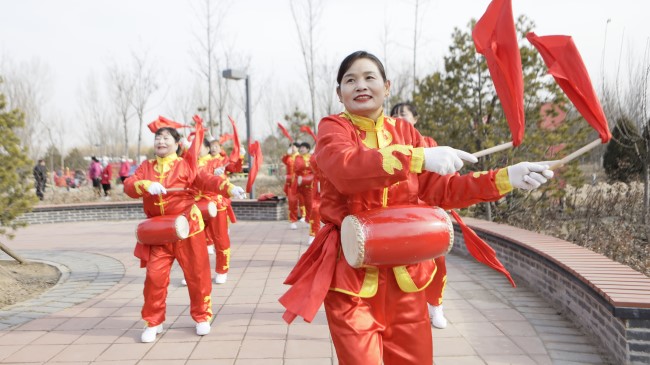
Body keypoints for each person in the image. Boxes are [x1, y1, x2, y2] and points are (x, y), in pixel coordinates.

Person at [279, 50, 554, 365]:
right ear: (339, 93)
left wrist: (506, 178)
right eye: (350, 80)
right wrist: (418, 157)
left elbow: (444, 191)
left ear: (387, 86)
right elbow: (345, 168)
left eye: (369, 77)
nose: (360, 85)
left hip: (405, 277)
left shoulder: (407, 133)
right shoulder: (334, 128)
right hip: (352, 277)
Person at [124, 124, 246, 343]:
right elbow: (129, 185)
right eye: (157, 139)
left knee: (197, 275)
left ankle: (202, 316)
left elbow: (207, 180)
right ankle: (153, 321)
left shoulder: (185, 165)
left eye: (165, 138)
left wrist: (228, 188)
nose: (160, 142)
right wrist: (145, 184)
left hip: (188, 228)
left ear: (177, 144)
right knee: (154, 277)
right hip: (159, 232)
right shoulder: (146, 167)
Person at [390, 101, 447, 329]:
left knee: (436, 261)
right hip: (398, 217)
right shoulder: (387, 148)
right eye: (394, 115)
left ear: (415, 119)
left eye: (403, 115)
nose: (398, 119)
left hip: (426, 216)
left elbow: (440, 184)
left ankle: (436, 306)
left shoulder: (429, 145)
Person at [292, 141, 314, 227]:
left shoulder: (311, 158)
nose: (301, 149)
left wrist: (307, 178)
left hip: (308, 183)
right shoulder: (297, 157)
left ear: (308, 149)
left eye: (303, 147)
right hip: (297, 182)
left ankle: (308, 220)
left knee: (309, 203)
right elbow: (296, 168)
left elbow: (314, 170)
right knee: (293, 201)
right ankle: (293, 221)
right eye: (300, 148)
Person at [281, 142, 301, 229]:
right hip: (291, 182)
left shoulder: (301, 157)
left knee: (306, 202)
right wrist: (287, 154)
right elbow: (283, 160)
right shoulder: (288, 158)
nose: (292, 149)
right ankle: (293, 220)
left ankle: (308, 218)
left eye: (294, 147)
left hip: (302, 182)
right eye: (291, 147)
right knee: (292, 201)